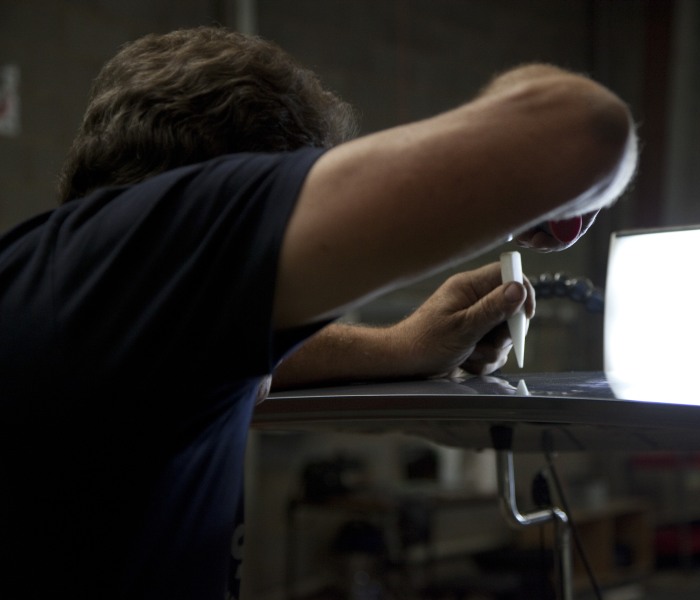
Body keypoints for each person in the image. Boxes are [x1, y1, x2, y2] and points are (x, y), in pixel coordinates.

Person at [0, 26, 637, 599]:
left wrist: (402, 347)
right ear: (223, 200)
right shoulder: (173, 259)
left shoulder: (71, 297)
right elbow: (581, 128)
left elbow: (235, 352)